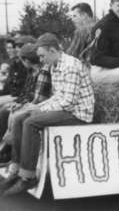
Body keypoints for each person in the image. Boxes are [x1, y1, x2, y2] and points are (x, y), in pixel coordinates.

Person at [0, 33, 94, 195]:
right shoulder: (55, 65)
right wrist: (35, 107)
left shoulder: (70, 66)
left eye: (42, 56)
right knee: (19, 118)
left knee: (31, 122)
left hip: (78, 113)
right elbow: (57, 97)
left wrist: (38, 109)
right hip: (65, 109)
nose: (41, 60)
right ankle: (16, 169)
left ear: (52, 50)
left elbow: (68, 102)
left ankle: (28, 177)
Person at [0, 43, 51, 167]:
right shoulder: (31, 71)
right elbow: (25, 93)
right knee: (6, 110)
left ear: (27, 60)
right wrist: (18, 103)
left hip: (38, 105)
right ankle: (6, 147)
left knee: (11, 114)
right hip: (28, 102)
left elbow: (37, 99)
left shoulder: (42, 73)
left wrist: (21, 105)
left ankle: (9, 151)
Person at [0, 36, 35, 105]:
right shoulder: (15, 63)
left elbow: (22, 88)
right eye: (17, 47)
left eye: (20, 46)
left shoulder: (29, 66)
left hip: (18, 96)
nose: (17, 49)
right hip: (15, 94)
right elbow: (10, 82)